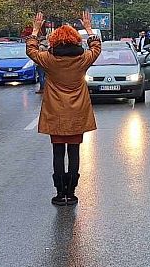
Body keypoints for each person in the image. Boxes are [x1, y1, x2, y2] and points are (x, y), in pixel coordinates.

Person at [27, 11, 102, 206]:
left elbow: (31, 51)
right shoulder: (83, 59)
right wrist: (88, 29)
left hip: (56, 113)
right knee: (74, 152)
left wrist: (35, 30)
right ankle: (72, 192)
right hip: (77, 112)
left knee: (58, 153)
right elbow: (96, 47)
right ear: (75, 40)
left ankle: (60, 193)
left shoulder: (49, 60)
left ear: (55, 41)